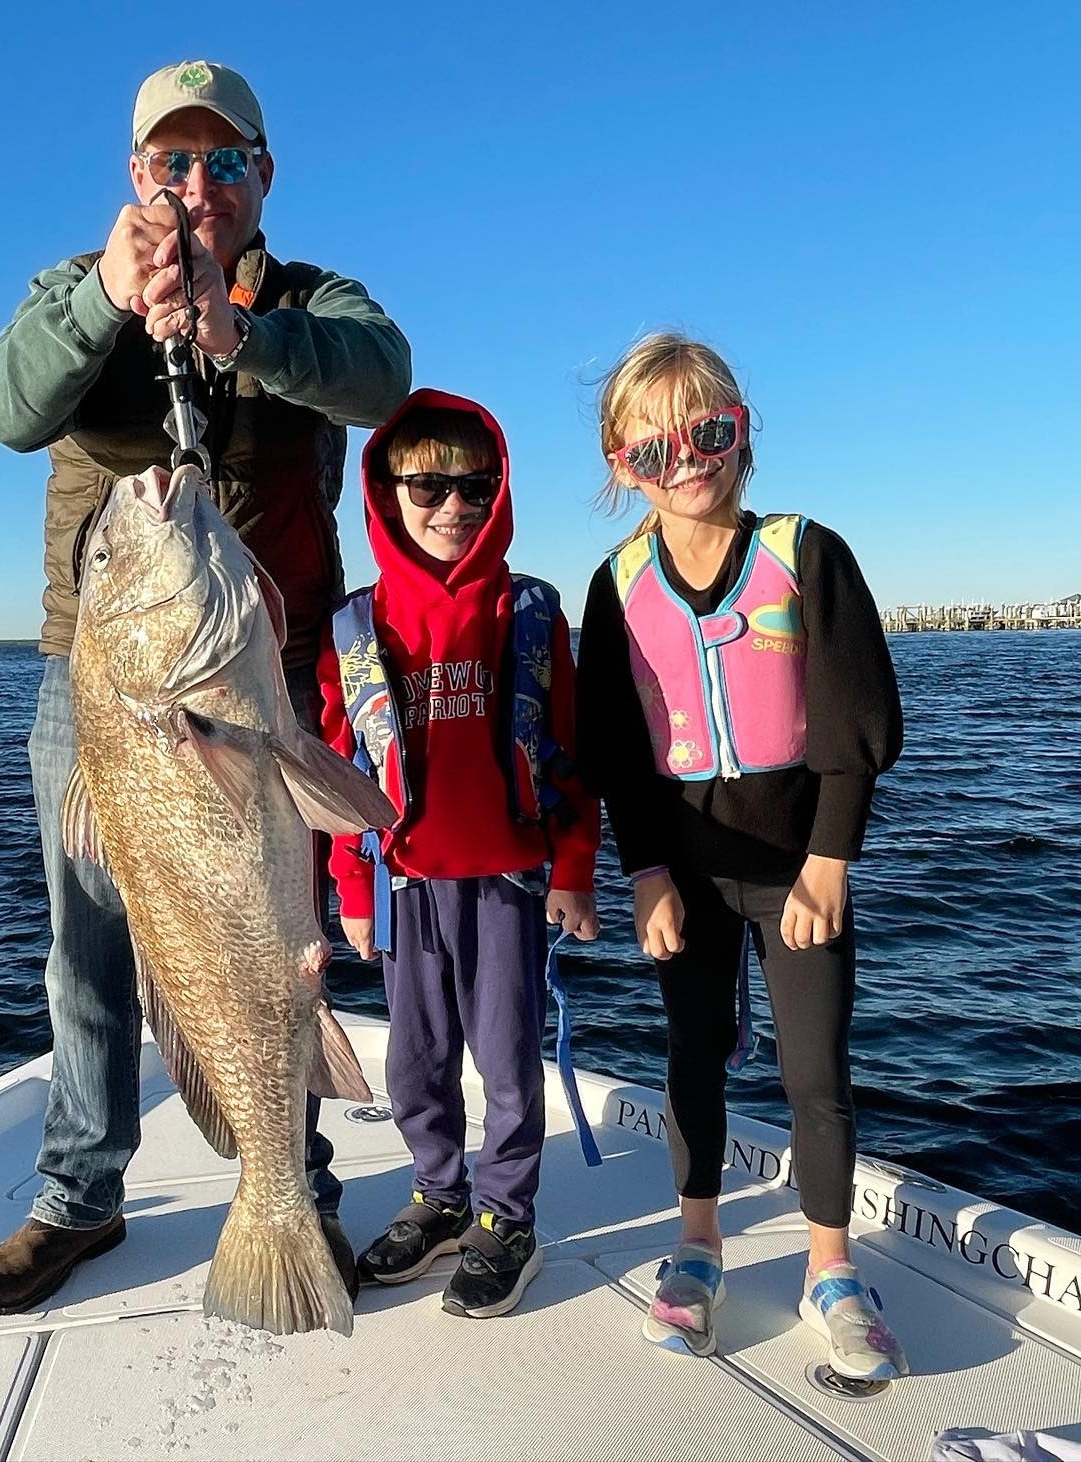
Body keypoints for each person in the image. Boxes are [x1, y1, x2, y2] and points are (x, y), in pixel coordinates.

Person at [0, 59, 411, 1315]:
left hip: (265, 674)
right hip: (102, 679)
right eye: (173, 161)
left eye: (225, 161)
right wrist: (112, 295)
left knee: (279, 930)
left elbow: (381, 378)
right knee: (89, 943)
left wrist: (248, 338)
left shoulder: (314, 297)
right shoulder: (74, 288)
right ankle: (79, 1195)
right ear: (134, 177)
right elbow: (6, 405)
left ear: (266, 176)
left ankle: (294, 1180)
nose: (198, 185)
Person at [575, 334, 907, 1379]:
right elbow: (620, 754)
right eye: (656, 445)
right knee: (691, 1057)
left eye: (710, 431)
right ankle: (698, 1246)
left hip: (798, 869)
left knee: (815, 1069)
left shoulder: (808, 553)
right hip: (686, 871)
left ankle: (831, 1269)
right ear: (622, 464)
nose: (688, 458)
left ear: (742, 433)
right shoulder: (614, 582)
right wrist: (644, 872)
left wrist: (829, 862)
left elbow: (856, 718)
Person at [318, 389, 600, 1319]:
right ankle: (440, 1196)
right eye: (427, 486)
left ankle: (508, 1216)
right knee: (415, 1060)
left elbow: (571, 755)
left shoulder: (531, 614)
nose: (452, 507)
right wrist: (352, 887)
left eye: (475, 486)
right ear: (385, 495)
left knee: (507, 1062)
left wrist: (572, 869)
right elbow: (340, 772)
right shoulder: (353, 628)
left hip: (508, 885)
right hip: (405, 891)